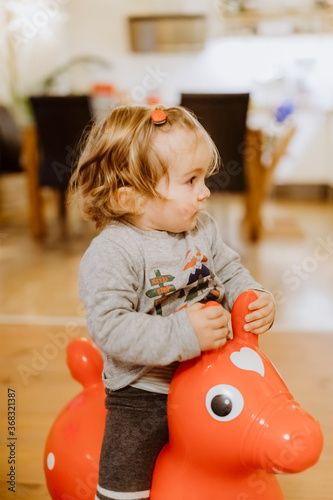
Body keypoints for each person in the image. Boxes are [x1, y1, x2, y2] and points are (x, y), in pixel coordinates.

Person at [70, 105, 275, 500]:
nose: (205, 192)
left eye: (204, 177)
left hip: (210, 375)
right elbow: (109, 327)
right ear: (128, 195)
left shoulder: (202, 228)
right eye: (191, 180)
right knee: (124, 482)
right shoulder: (113, 252)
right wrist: (182, 333)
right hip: (145, 392)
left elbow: (230, 271)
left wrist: (253, 297)